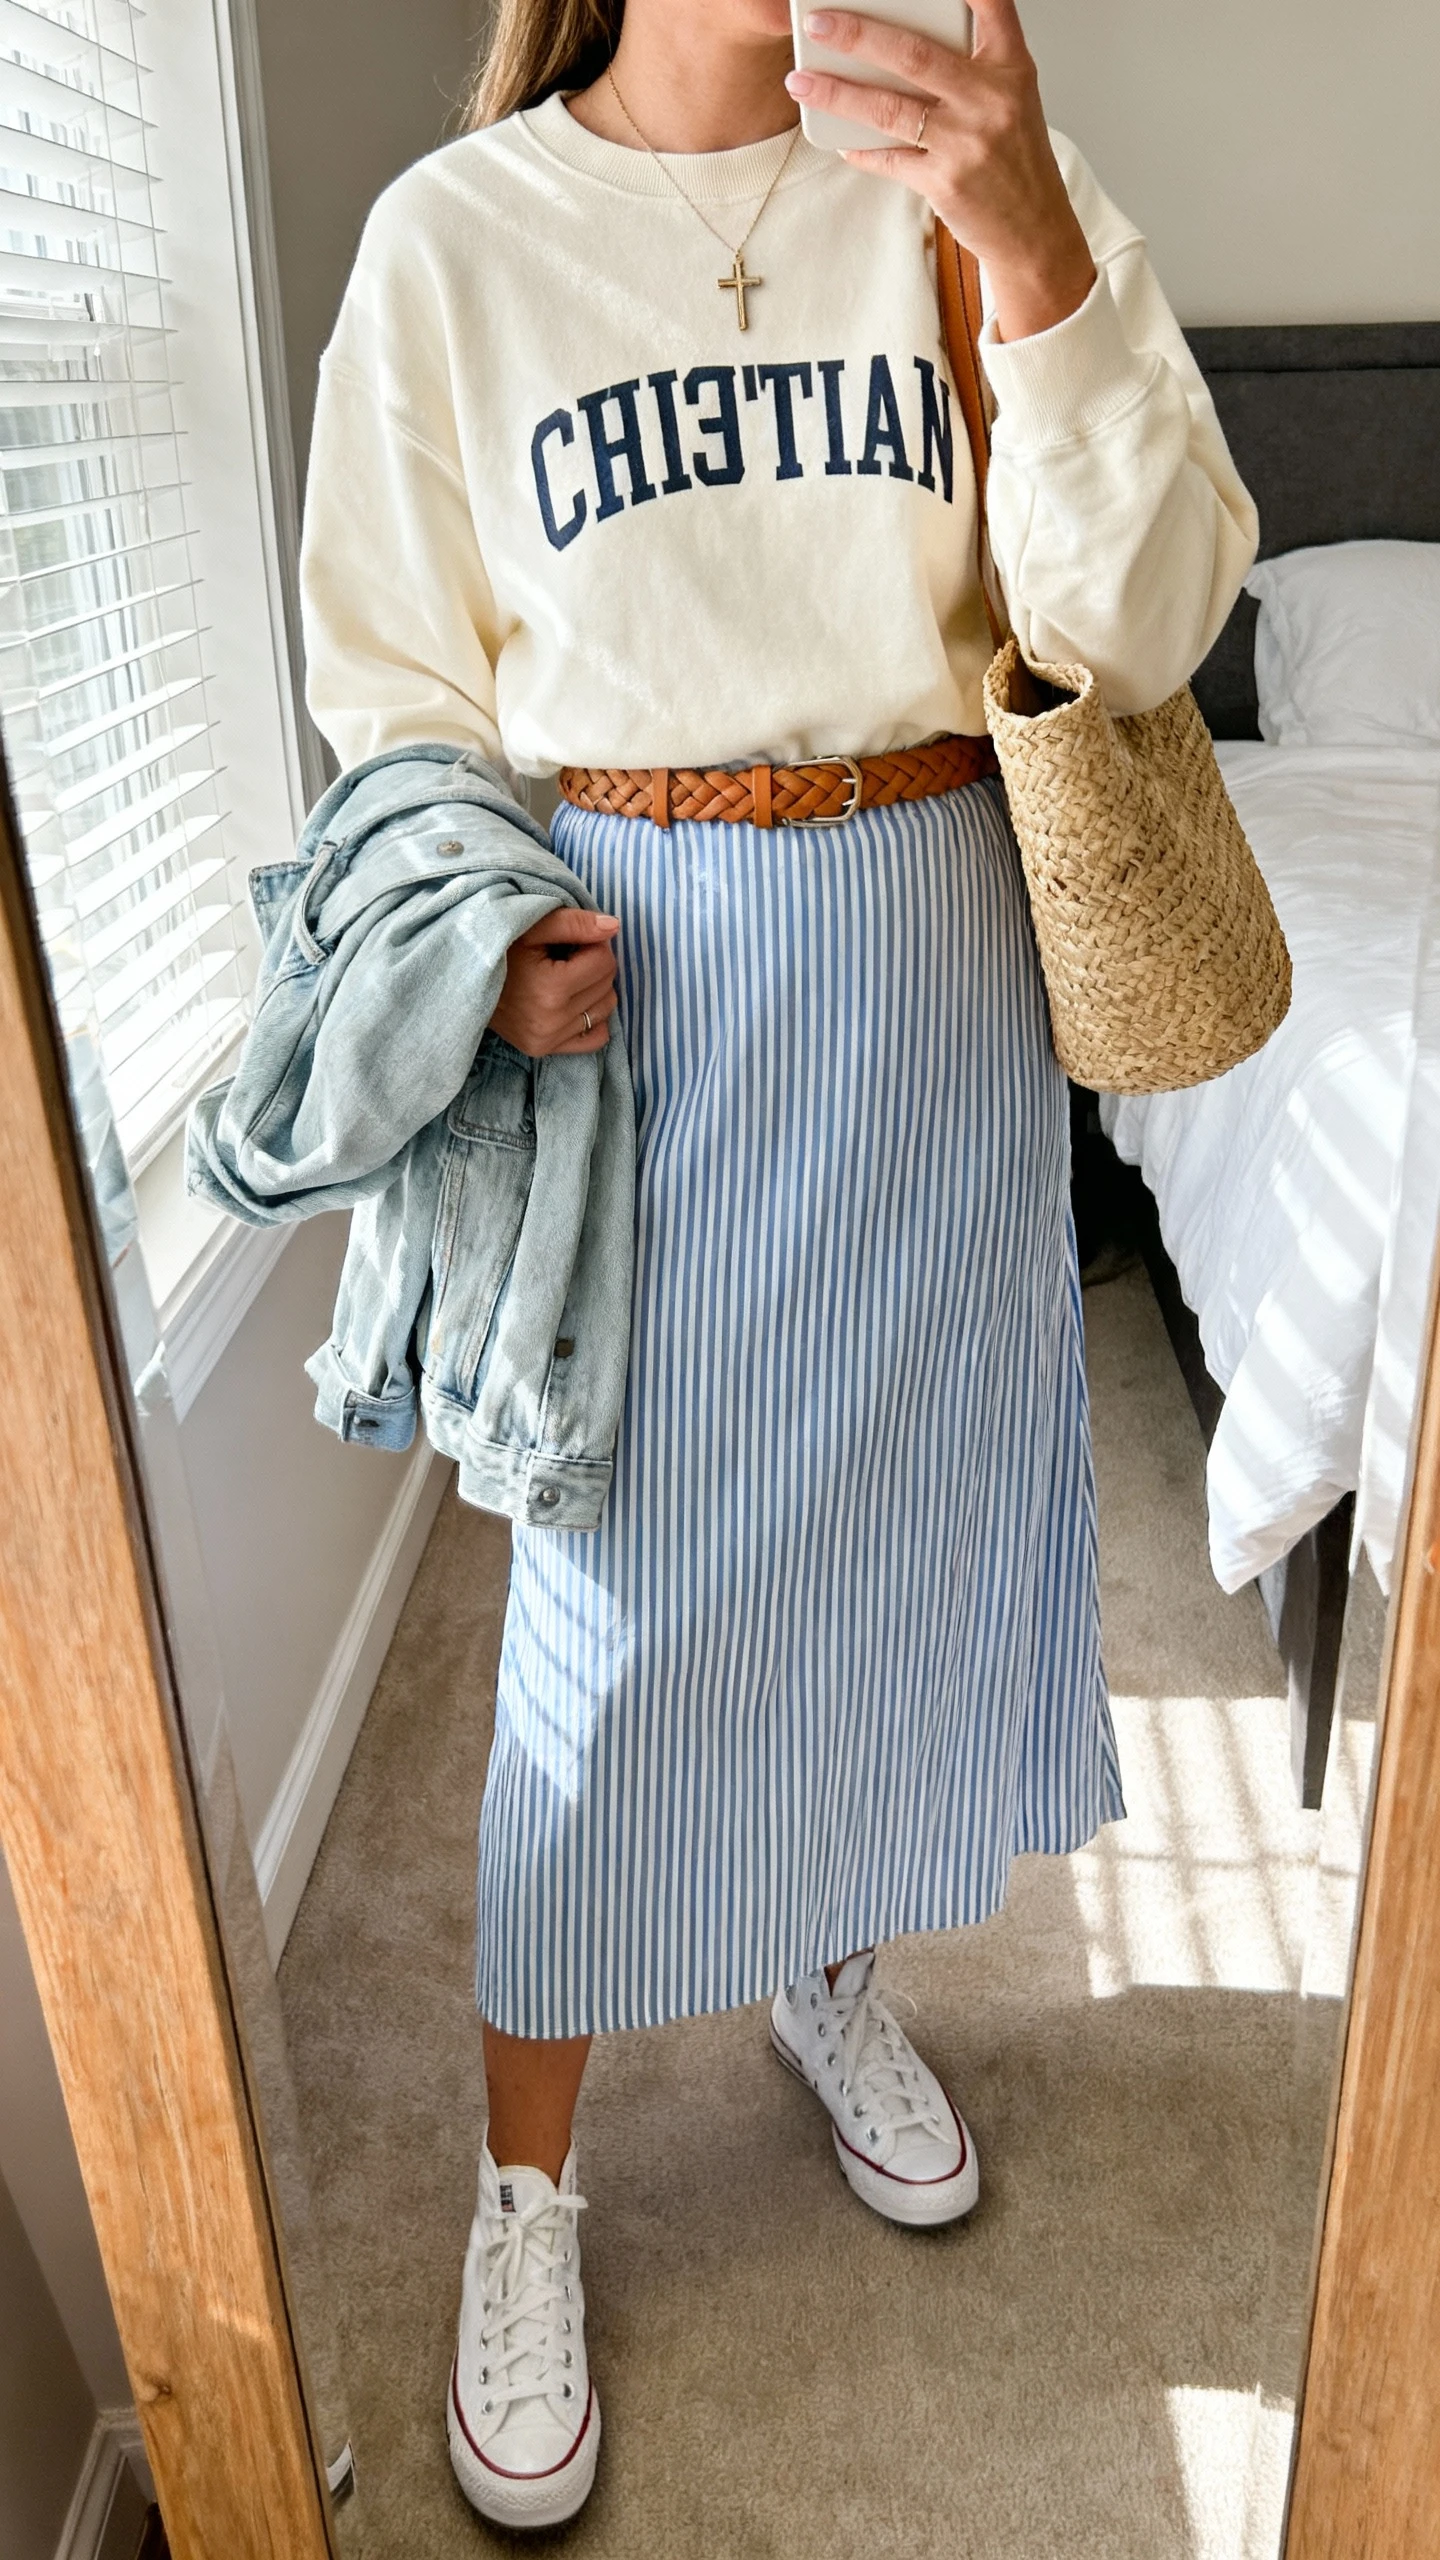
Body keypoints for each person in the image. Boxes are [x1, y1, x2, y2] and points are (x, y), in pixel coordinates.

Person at [300, 0, 1257, 2527]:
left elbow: (1146, 619)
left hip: (936, 947)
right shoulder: (459, 242)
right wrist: (481, 933)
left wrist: (1031, 240)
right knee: (609, 1616)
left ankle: (827, 1967)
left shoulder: (972, 184)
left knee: (900, 1528)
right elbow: (387, 690)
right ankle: (527, 2186)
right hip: (642, 966)